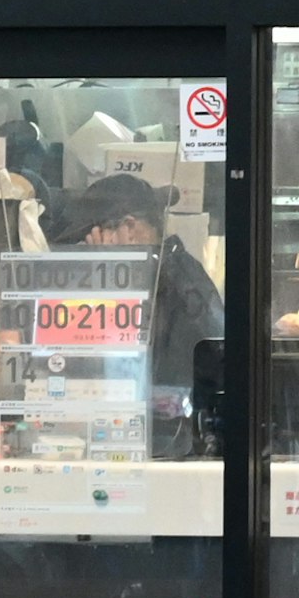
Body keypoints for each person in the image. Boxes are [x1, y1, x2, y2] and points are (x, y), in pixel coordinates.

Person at [65, 170, 225, 454]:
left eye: (87, 239)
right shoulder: (175, 269)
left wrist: (109, 275)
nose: (82, 252)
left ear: (128, 228)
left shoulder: (166, 281)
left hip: (164, 444)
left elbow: (129, 364)